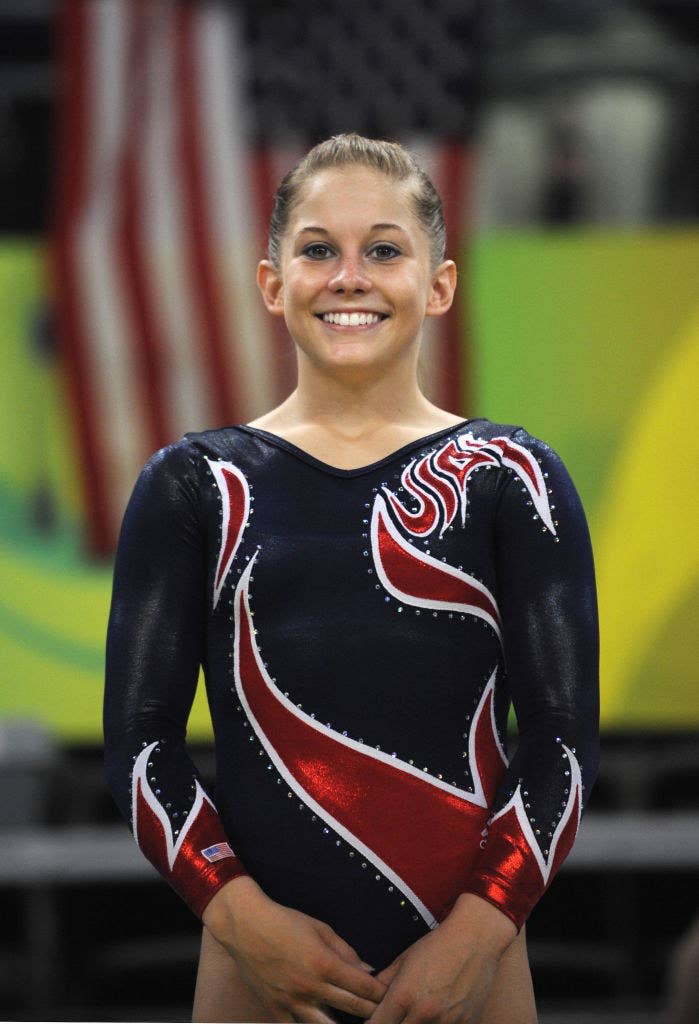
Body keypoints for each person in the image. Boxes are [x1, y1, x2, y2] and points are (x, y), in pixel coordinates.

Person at [104, 133, 599, 1023]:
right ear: (270, 283)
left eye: (383, 249)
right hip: (260, 976)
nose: (348, 277)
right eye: (317, 250)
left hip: (467, 976)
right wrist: (239, 917)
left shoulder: (508, 477)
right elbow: (142, 747)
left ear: (438, 284)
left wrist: (477, 931)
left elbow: (562, 742)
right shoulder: (196, 485)